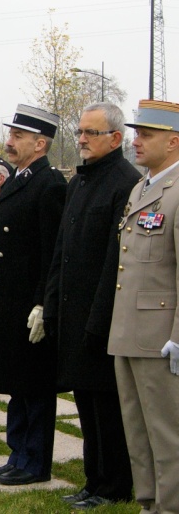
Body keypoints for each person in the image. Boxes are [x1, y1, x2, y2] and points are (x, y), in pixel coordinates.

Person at [43, 102, 138, 508]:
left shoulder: (125, 183)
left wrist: (99, 322)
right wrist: (49, 305)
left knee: (108, 408)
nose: (80, 139)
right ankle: (92, 479)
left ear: (115, 138)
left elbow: (114, 261)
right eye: (79, 132)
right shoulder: (80, 182)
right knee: (84, 402)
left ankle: (114, 486)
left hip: (101, 319)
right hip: (72, 311)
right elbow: (62, 250)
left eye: (90, 133)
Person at [0, 104, 67, 486]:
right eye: (10, 135)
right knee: (16, 384)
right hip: (7, 302)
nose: (9, 142)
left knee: (34, 386)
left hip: (29, 303)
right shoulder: (18, 179)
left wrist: (45, 303)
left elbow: (50, 251)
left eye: (17, 137)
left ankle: (35, 461)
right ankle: (17, 453)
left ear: (40, 143)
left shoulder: (50, 184)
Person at [108, 99, 179, 514]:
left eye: (145, 135)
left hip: (160, 335)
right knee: (137, 430)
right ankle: (148, 502)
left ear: (173, 142)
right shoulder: (143, 187)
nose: (136, 142)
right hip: (130, 330)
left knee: (167, 432)